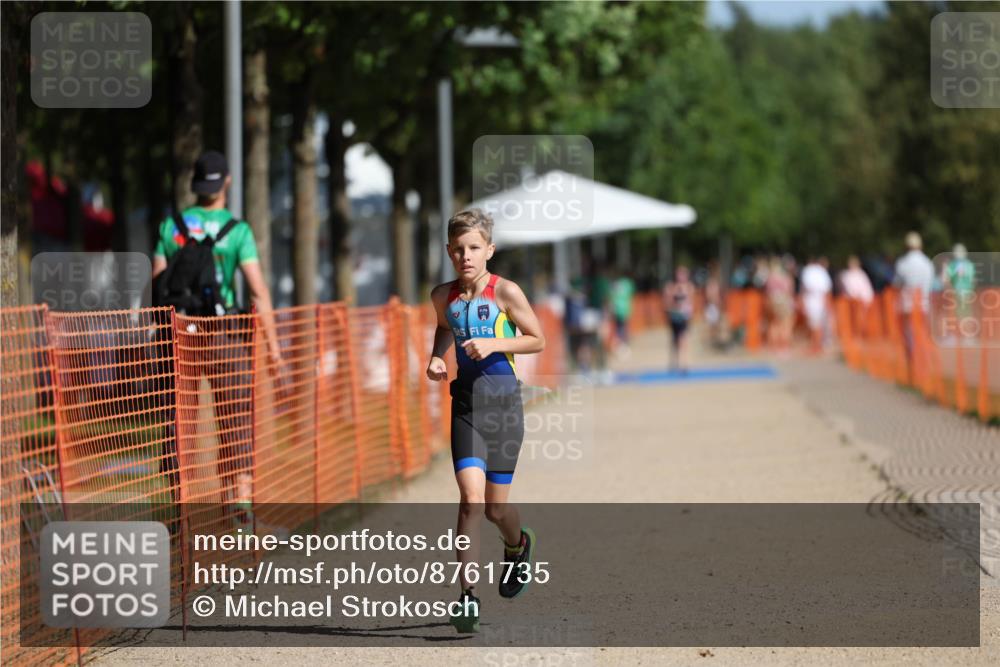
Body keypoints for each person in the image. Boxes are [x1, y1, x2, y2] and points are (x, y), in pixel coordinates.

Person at [426, 208, 545, 633]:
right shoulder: (443, 296)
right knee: (470, 502)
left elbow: (537, 339)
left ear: (489, 250)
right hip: (466, 408)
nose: (466, 256)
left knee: (496, 508)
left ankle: (518, 544)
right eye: (459, 249)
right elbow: (444, 327)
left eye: (474, 248)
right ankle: (467, 597)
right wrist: (437, 358)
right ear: (448, 252)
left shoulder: (505, 292)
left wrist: (494, 343)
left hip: (504, 409)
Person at [151, 150, 282, 521]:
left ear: (195, 183)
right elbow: (258, 291)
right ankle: (239, 512)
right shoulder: (237, 231)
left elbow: (158, 288)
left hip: (179, 336)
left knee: (179, 425)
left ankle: (180, 515)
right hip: (223, 334)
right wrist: (274, 349)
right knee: (236, 421)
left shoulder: (170, 227)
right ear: (226, 182)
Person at [893, 231, 934, 375]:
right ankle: (923, 361)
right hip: (923, 303)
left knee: (909, 333)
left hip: (907, 304)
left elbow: (897, 283)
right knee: (922, 332)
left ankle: (913, 362)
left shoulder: (903, 263)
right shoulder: (927, 263)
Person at [662, 265, 695, 372]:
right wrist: (674, 296)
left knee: (683, 340)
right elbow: (667, 303)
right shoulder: (671, 287)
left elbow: (691, 303)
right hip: (674, 317)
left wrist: (689, 313)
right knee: (674, 341)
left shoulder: (689, 287)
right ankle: (674, 361)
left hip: (684, 318)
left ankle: (684, 363)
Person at [942, 243, 976, 339]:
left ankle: (953, 335)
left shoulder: (953, 264)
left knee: (953, 314)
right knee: (966, 314)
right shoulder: (969, 264)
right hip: (967, 293)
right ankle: (968, 336)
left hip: (955, 292)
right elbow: (973, 281)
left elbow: (947, 280)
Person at [800, 256, 833, 354]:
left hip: (813, 302)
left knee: (815, 325)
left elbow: (804, 288)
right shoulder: (821, 271)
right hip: (819, 301)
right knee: (819, 325)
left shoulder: (808, 271)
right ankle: (818, 345)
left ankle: (816, 346)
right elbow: (827, 289)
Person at [610, 270, 636, 352]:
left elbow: (611, 295)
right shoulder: (628, 283)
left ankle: (620, 344)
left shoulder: (615, 283)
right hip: (625, 309)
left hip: (616, 309)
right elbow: (631, 294)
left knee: (619, 327)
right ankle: (623, 344)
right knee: (624, 327)